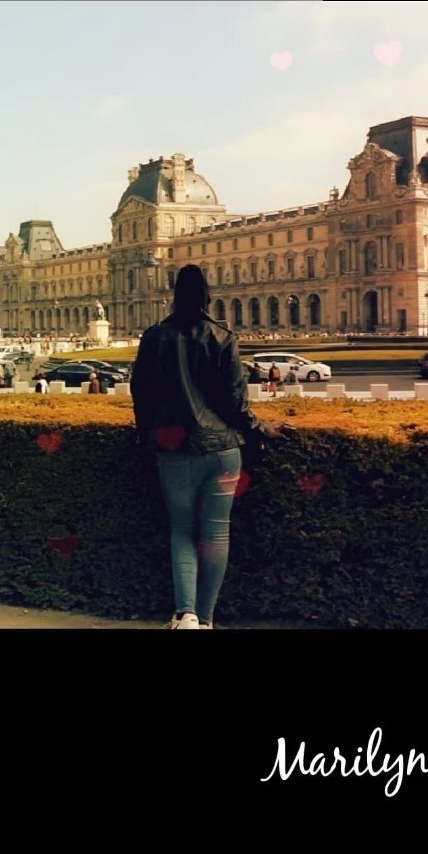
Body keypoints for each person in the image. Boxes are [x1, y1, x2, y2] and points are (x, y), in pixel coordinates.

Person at [132, 264, 289, 630]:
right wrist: (262, 428)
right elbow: (236, 403)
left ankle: (184, 615)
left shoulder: (155, 337)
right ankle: (205, 620)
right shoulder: (222, 336)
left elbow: (142, 396)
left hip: (174, 449)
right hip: (222, 450)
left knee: (182, 531)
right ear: (208, 296)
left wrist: (147, 437)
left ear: (174, 294)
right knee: (217, 534)